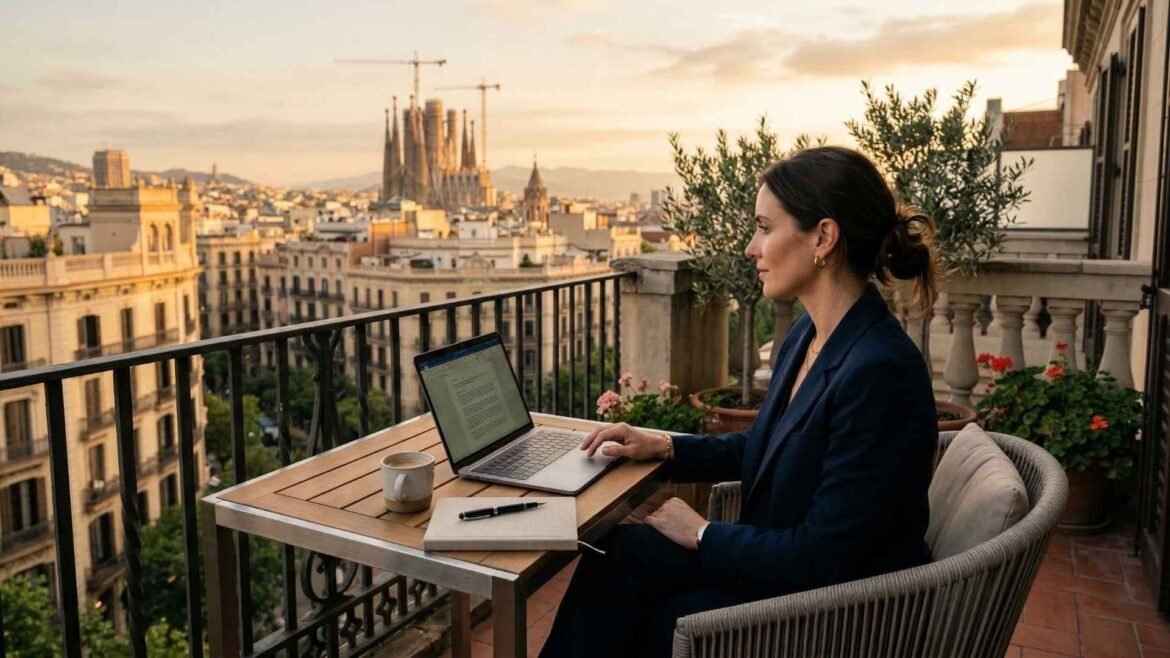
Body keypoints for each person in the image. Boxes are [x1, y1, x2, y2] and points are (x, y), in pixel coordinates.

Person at [539, 146, 941, 658]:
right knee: (618, 551)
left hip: (830, 613)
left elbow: (823, 558)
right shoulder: (807, 335)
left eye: (764, 228)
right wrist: (664, 447)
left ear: (823, 237)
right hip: (781, 564)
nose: (751, 248)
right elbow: (770, 445)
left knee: (659, 620)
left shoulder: (881, 371)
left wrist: (703, 533)